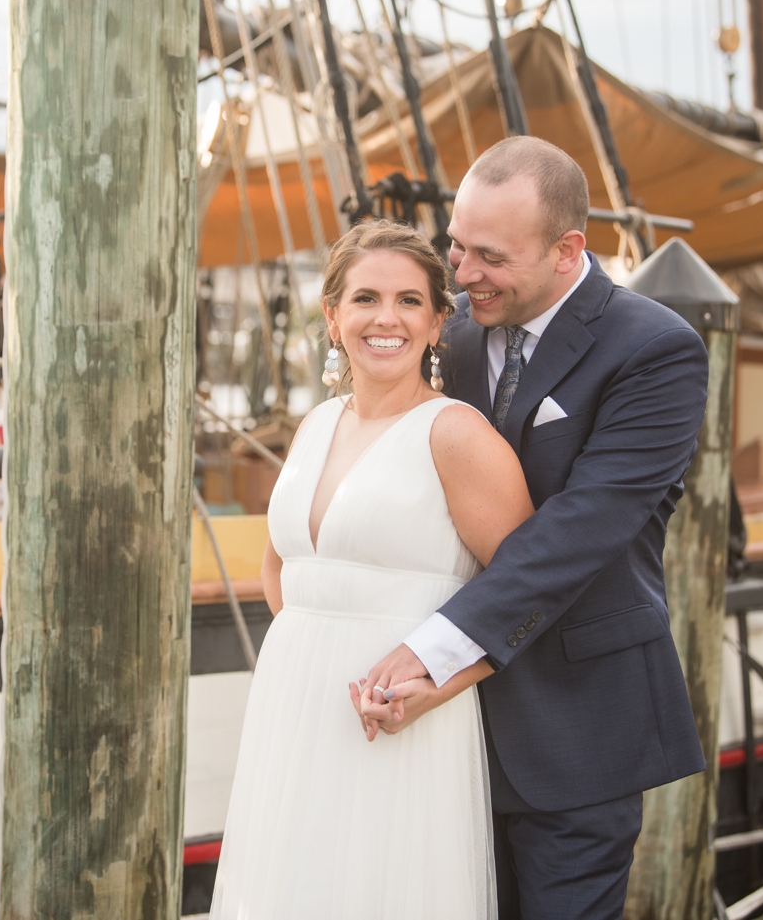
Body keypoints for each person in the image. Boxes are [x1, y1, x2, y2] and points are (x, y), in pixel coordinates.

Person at [357, 136, 711, 919]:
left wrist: (429, 652)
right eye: (455, 245)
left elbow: (579, 532)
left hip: (577, 727)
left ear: (566, 250)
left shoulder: (655, 350)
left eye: (490, 255)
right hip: (444, 740)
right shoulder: (449, 337)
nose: (462, 272)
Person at [209, 219, 534, 918]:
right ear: (332, 316)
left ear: (438, 321)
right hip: (295, 710)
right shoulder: (315, 425)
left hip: (403, 718)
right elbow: (284, 568)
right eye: (365, 298)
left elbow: (526, 596)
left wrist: (432, 681)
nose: (386, 318)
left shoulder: (456, 433)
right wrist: (312, 652)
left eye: (410, 300)